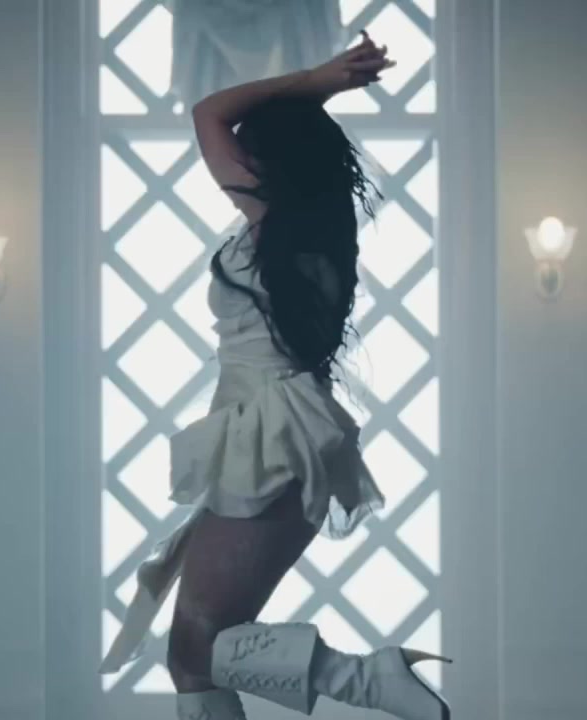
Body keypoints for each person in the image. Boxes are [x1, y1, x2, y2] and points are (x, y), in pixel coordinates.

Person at [98, 32, 451, 720]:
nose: (240, 157)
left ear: (274, 164)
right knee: (191, 657)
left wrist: (319, 82)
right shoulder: (314, 234)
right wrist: (315, 89)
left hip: (270, 436)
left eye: (254, 149)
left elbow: (209, 113)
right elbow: (217, 119)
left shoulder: (277, 228)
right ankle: (369, 678)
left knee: (199, 648)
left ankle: (370, 678)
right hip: (274, 432)